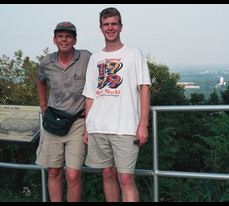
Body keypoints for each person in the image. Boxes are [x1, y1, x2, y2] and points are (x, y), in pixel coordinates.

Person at [82, 7, 151, 202]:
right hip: (99, 126)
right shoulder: (95, 58)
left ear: (120, 27)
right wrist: (88, 126)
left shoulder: (134, 54)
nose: (110, 28)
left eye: (114, 24)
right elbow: (90, 95)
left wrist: (143, 124)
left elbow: (144, 88)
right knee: (107, 174)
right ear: (100, 28)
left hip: (126, 127)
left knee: (126, 178)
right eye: (106, 24)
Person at [35, 21, 91, 202]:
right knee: (53, 171)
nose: (64, 40)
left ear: (75, 40)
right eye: (60, 36)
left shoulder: (85, 58)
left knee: (73, 175)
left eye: (68, 36)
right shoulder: (46, 62)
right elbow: (40, 80)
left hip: (77, 122)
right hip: (53, 122)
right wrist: (43, 104)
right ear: (54, 39)